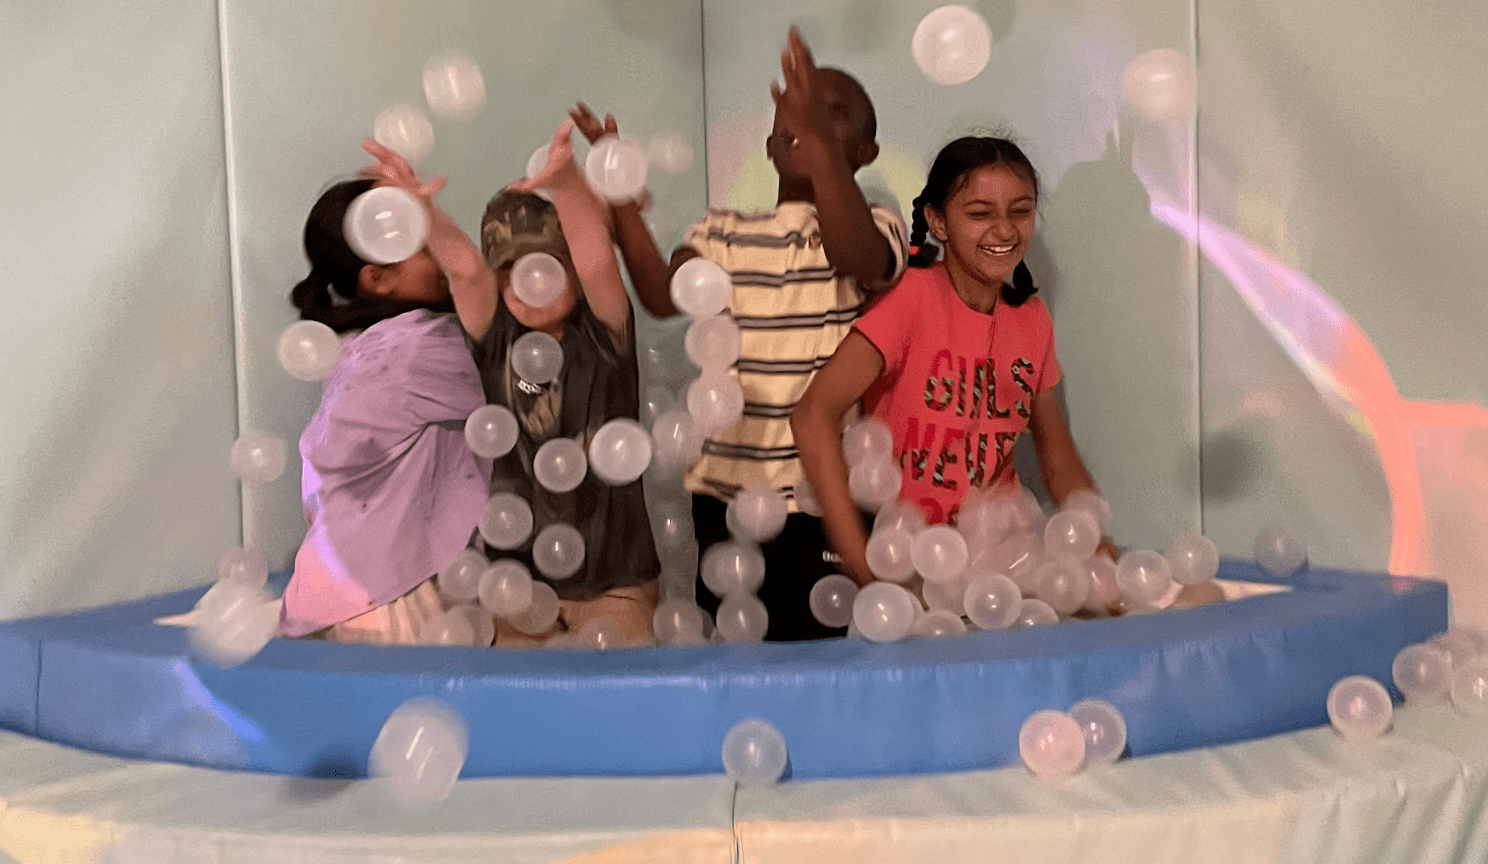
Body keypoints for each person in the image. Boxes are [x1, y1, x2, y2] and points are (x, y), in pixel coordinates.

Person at [571, 28, 908, 641]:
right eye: (793, 116)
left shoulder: (877, 225)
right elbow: (658, 293)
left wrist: (824, 156)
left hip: (817, 499)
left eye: (829, 118)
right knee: (737, 653)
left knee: (818, 653)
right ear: (773, 141)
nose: (803, 126)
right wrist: (618, 189)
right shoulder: (721, 230)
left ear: (864, 151)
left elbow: (857, 253)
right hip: (724, 495)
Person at [792, 135, 1115, 588]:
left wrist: (1103, 553)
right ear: (938, 221)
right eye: (980, 214)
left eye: (1020, 211)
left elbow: (1056, 455)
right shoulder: (910, 300)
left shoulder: (1032, 319)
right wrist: (863, 567)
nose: (1004, 230)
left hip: (1000, 558)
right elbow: (812, 414)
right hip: (909, 556)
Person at [466, 121, 661, 645]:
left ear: (570, 270)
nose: (528, 285)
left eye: (547, 266)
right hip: (519, 584)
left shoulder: (604, 338)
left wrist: (569, 182)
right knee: (521, 719)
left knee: (618, 712)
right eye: (510, 274)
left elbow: (599, 261)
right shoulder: (494, 343)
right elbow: (465, 276)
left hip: (612, 581)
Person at [278, 170, 491, 644]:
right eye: (422, 239)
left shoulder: (362, 345)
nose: (438, 250)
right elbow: (494, 314)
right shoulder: (420, 349)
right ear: (378, 279)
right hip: (391, 602)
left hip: (330, 589)